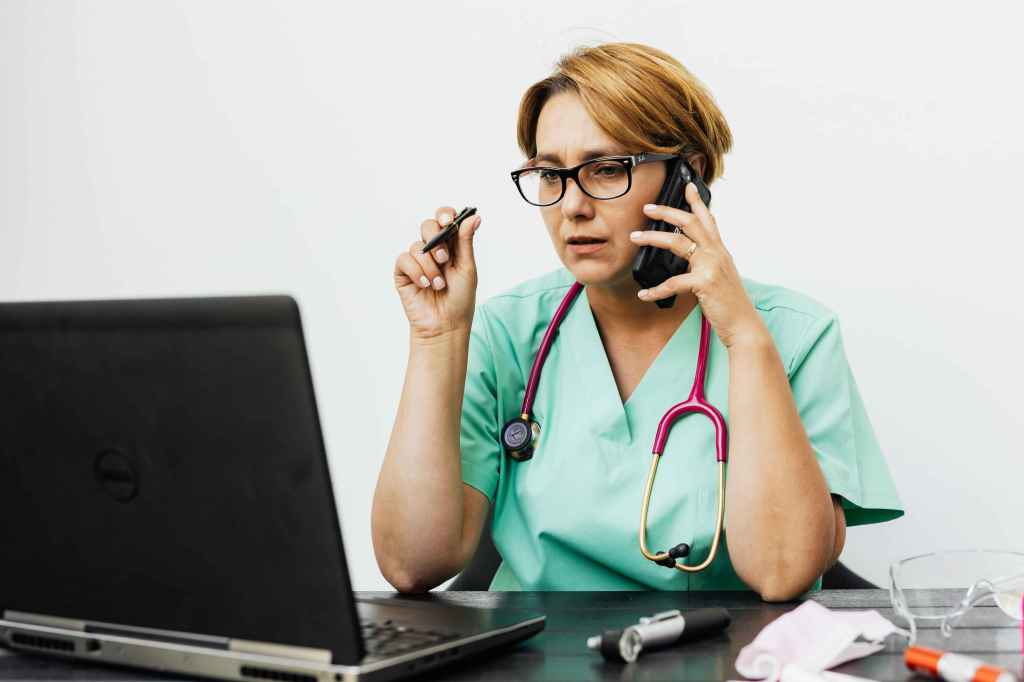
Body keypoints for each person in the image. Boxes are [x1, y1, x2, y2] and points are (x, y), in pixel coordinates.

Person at [372, 42, 903, 600]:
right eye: (550, 175)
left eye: (605, 170)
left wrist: (745, 341)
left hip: (722, 657)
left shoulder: (795, 334)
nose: (571, 206)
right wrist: (438, 338)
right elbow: (411, 564)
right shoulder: (507, 332)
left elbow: (783, 573)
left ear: (687, 178)